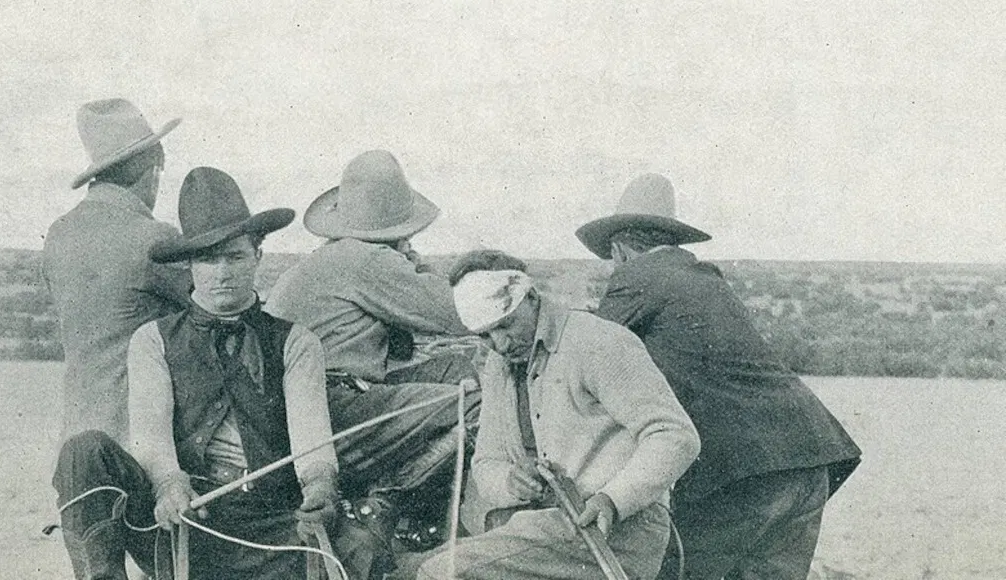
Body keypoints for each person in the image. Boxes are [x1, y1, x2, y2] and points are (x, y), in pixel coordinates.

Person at [51, 166, 341, 580]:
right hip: (183, 522)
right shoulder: (152, 340)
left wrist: (319, 485)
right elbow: (150, 436)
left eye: (235, 256)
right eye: (207, 258)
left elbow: (312, 439)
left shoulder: (296, 342)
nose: (222, 272)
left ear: (258, 255)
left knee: (362, 549)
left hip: (270, 528)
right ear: (189, 265)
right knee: (84, 452)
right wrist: (169, 483)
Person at [577, 173, 862, 580]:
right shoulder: (705, 280)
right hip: (810, 462)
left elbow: (585, 353)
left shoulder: (638, 276)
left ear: (620, 249)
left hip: (742, 479)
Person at [415, 253, 700, 579]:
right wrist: (512, 481)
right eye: (484, 335)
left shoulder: (596, 342)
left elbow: (675, 435)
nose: (500, 344)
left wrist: (612, 500)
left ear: (532, 298)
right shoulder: (498, 364)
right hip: (547, 525)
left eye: (505, 325)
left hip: (617, 528)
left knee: (440, 574)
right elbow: (487, 463)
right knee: (410, 571)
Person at [265, 150, 479, 546]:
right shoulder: (368, 260)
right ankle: (384, 506)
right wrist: (418, 261)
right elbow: (458, 314)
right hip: (330, 412)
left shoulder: (329, 258)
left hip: (299, 411)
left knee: (457, 369)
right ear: (402, 229)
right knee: (478, 402)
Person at [43, 98, 191, 448]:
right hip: (140, 435)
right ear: (154, 165)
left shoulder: (59, 233)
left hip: (77, 433)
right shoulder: (154, 237)